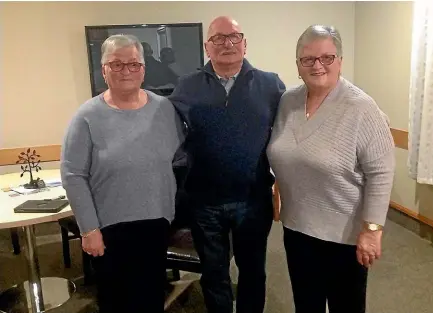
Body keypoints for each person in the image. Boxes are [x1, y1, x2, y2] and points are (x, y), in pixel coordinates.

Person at [267, 25, 395, 313]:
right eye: (308, 59)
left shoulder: (362, 108)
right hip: (297, 227)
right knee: (306, 303)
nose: (317, 65)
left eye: (327, 57)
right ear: (298, 65)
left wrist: (372, 229)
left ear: (340, 61)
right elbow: (287, 150)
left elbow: (381, 171)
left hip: (344, 235)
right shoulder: (288, 101)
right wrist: (278, 183)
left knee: (345, 306)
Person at [169, 16, 286, 313]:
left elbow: (294, 128)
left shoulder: (271, 85)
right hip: (204, 202)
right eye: (218, 38)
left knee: (252, 272)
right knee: (214, 274)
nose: (227, 44)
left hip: (253, 199)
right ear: (207, 47)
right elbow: (166, 131)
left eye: (234, 37)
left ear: (245, 44)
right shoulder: (186, 87)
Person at [60, 34, 184, 313]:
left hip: (156, 221)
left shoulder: (164, 109)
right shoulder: (86, 117)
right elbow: (72, 174)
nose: (126, 71)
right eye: (116, 64)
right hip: (109, 227)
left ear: (144, 68)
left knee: (152, 295)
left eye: (133, 64)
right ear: (103, 69)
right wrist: (89, 229)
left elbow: (179, 157)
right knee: (116, 300)